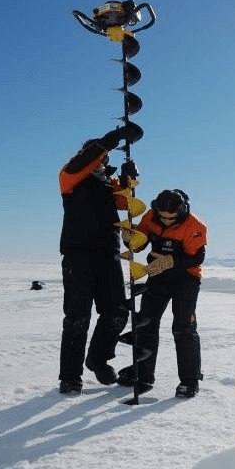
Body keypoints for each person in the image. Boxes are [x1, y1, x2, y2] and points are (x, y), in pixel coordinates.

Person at [58, 122, 142, 395]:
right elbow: (88, 157)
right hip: (78, 255)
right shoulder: (70, 176)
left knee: (117, 311)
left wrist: (129, 180)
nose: (101, 160)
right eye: (98, 155)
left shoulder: (108, 184)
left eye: (104, 158)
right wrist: (116, 135)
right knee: (77, 317)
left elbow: (126, 203)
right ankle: (71, 377)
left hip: (108, 254)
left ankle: (98, 358)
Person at [117, 189, 207, 398]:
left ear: (182, 211)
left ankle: (189, 381)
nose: (166, 221)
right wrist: (129, 239)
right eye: (163, 217)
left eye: (171, 218)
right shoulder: (150, 216)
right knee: (146, 323)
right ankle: (144, 375)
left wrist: (172, 261)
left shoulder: (195, 226)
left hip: (186, 279)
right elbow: (139, 245)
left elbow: (197, 258)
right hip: (157, 276)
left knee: (183, 327)